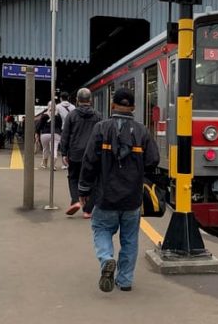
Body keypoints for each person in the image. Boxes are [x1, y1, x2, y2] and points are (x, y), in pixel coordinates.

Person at [78, 88, 159, 292]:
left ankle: (106, 260)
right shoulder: (142, 131)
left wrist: (84, 188)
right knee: (130, 239)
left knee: (101, 229)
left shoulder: (101, 128)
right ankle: (125, 281)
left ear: (112, 105)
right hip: (132, 197)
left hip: (105, 195)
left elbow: (89, 162)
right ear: (133, 107)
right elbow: (153, 160)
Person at [60, 88, 102, 218]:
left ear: (77, 100)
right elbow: (101, 135)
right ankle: (88, 210)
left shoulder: (71, 115)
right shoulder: (98, 115)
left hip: (75, 153)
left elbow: (65, 135)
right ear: (90, 100)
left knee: (73, 177)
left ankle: (76, 201)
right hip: (93, 154)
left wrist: (64, 153)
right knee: (93, 180)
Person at [55, 91, 76, 169]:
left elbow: (55, 118)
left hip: (62, 129)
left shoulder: (57, 106)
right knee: (70, 145)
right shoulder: (73, 107)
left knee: (63, 146)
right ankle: (69, 162)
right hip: (72, 128)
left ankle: (64, 164)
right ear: (68, 98)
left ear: (60, 98)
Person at [37, 105, 62, 169]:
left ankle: (44, 165)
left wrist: (37, 133)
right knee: (54, 149)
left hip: (45, 134)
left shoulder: (44, 115)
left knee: (45, 149)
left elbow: (39, 126)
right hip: (55, 134)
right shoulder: (58, 116)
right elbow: (60, 125)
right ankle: (53, 165)